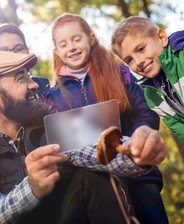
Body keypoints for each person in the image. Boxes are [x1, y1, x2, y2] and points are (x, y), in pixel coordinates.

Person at [0, 51, 168, 224]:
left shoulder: (51, 123)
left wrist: (140, 151)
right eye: (20, 79)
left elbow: (99, 151)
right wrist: (31, 187)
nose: (33, 84)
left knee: (94, 177)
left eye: (28, 76)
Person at [41, 13, 167, 223]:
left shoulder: (119, 72)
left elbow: (146, 110)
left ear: (90, 38)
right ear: (56, 51)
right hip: (98, 186)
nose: (71, 48)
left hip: (139, 174)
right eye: (63, 44)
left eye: (76, 39)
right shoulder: (52, 97)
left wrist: (136, 142)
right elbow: (60, 144)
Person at [111, 16, 184, 145]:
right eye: (130, 60)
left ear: (161, 38)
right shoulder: (151, 96)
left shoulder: (181, 57)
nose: (138, 62)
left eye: (141, 49)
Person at [0, 23, 50, 95]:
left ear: (27, 51)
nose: (13, 55)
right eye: (4, 51)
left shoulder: (43, 85)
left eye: (18, 49)